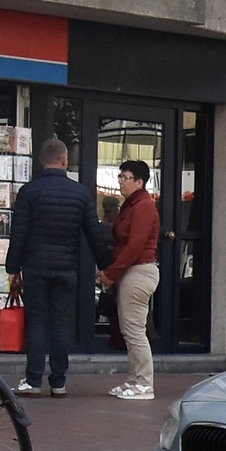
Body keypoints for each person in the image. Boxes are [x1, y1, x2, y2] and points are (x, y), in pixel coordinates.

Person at [3, 138, 109, 397]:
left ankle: (33, 380)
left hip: (36, 267)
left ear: (42, 161)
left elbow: (19, 233)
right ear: (64, 160)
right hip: (66, 268)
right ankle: (59, 381)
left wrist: (13, 268)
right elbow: (93, 233)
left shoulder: (29, 192)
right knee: (60, 322)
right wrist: (106, 266)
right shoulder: (81, 193)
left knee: (37, 321)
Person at [100, 159, 162, 401]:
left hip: (139, 271)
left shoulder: (143, 206)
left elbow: (135, 245)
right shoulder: (132, 205)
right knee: (130, 329)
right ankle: (134, 380)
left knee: (135, 330)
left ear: (139, 181)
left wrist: (110, 273)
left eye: (125, 177)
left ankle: (145, 383)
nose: (121, 182)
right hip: (132, 271)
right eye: (120, 177)